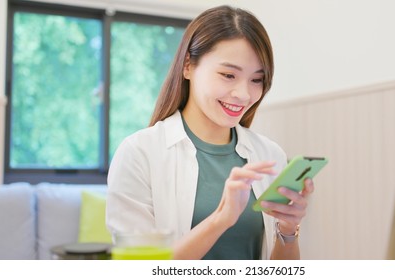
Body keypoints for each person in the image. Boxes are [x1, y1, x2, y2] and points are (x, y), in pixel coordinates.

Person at [106, 5, 314, 260]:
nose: (244, 94)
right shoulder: (139, 153)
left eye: (256, 79)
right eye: (228, 75)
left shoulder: (269, 154)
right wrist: (220, 220)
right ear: (188, 66)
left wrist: (288, 229)